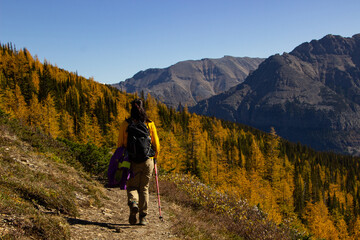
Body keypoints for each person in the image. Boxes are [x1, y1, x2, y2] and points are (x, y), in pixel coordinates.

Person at [117, 99, 160, 225]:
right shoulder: (149, 124)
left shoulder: (125, 124)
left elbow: (120, 144)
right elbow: (156, 144)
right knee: (144, 188)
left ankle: (133, 202)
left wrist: (120, 159)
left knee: (131, 186)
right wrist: (155, 156)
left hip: (132, 161)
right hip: (148, 161)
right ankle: (143, 217)